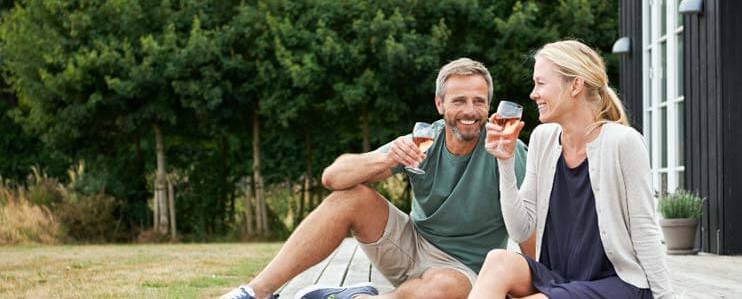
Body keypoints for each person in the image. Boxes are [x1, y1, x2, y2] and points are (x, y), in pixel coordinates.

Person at [221, 57, 530, 299]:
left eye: (478, 101)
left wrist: (538, 285)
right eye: (459, 100)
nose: (470, 110)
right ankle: (254, 292)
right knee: (351, 197)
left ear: (489, 105)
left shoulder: (505, 149)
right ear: (440, 105)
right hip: (411, 246)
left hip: (463, 271)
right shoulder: (424, 140)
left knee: (444, 290)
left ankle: (359, 297)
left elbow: (531, 220)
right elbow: (333, 176)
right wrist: (388, 158)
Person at [468, 40, 674, 299]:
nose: (533, 93)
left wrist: (665, 296)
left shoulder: (623, 142)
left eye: (541, 83)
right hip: (557, 277)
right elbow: (520, 230)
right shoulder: (543, 138)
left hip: (615, 284)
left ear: (575, 85)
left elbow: (645, 230)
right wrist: (505, 163)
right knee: (498, 260)